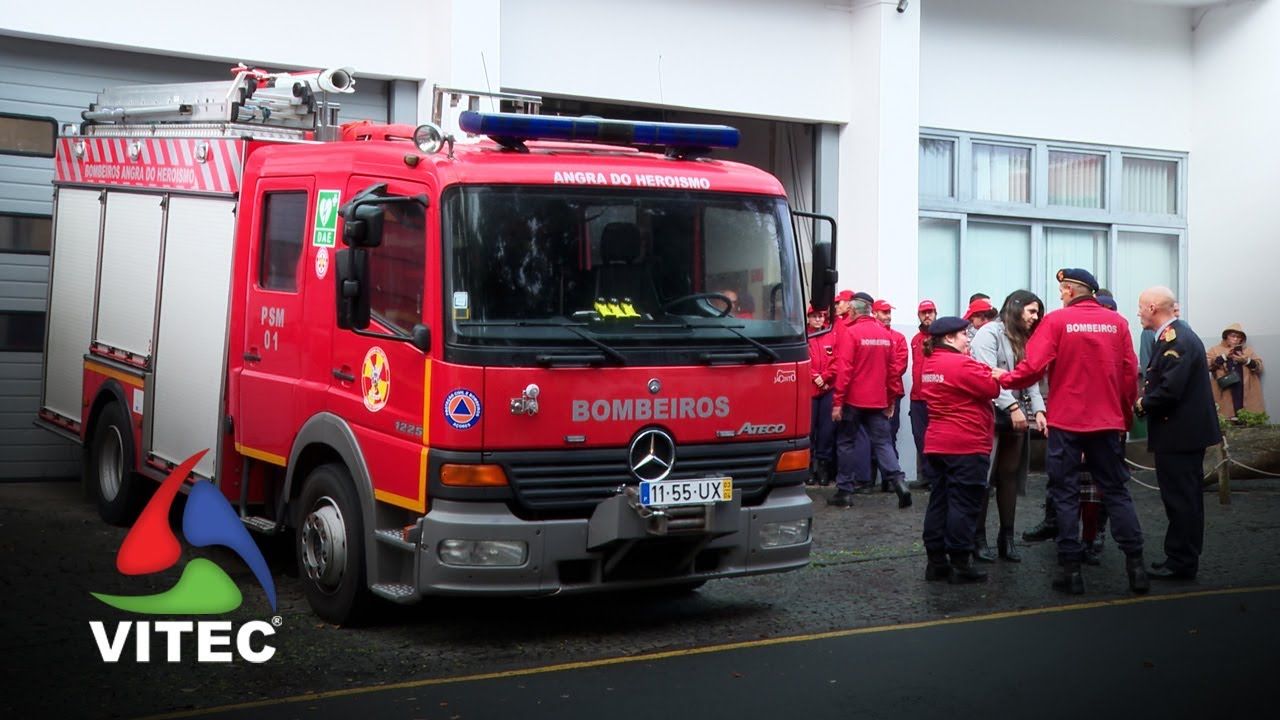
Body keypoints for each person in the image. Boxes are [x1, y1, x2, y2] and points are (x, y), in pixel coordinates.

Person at [993, 268, 1149, 596]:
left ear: (1068, 290)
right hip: (1106, 423)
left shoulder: (1057, 322)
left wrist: (1001, 379)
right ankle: (1136, 567)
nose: (1060, 295)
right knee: (1117, 492)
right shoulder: (1117, 323)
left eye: (1062, 290)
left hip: (1067, 423)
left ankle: (1070, 570)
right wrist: (1121, 417)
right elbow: (1127, 375)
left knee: (1064, 493)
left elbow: (1032, 368)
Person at [1135, 286, 1221, 581]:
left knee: (1182, 499)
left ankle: (1182, 562)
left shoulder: (1178, 339)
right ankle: (1179, 556)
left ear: (1154, 307)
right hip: (1182, 433)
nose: (1138, 312)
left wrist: (1143, 403)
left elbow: (1170, 390)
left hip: (1180, 435)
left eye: (1141, 306)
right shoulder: (1176, 336)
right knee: (1183, 498)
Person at [920, 316, 1002, 584]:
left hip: (937, 442)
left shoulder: (930, 363)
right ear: (949, 338)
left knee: (939, 501)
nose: (968, 338)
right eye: (963, 334)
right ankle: (960, 562)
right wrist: (990, 372)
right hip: (966, 443)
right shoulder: (962, 364)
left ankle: (936, 561)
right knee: (964, 504)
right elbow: (991, 387)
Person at [970, 290, 1046, 563]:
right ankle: (977, 539)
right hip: (989, 415)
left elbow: (1030, 378)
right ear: (1015, 309)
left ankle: (1007, 538)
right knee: (984, 478)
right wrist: (1013, 407)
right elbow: (986, 375)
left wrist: (1038, 410)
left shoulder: (1027, 338)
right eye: (1031, 311)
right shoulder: (989, 333)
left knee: (1009, 477)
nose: (1035, 317)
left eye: (1038, 312)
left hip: (1016, 416)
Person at [829, 296, 912, 508]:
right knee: (883, 443)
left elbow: (844, 369)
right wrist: (891, 399)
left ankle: (845, 491)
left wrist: (838, 402)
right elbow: (893, 371)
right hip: (878, 400)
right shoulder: (885, 335)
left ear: (855, 313)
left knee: (846, 443)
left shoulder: (851, 333)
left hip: (853, 401)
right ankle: (899, 482)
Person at [872, 299, 909, 491]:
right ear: (874, 313)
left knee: (889, 434)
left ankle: (890, 480)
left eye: (889, 312)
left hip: (892, 392)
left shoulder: (899, 337)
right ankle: (870, 478)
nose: (888, 316)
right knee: (871, 436)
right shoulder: (871, 336)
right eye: (884, 312)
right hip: (872, 392)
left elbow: (900, 366)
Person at [1207, 323, 1266, 421]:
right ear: (1226, 337)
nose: (1235, 339)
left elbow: (1259, 367)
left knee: (1247, 424)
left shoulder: (1248, 351)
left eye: (1239, 337)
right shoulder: (1215, 350)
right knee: (1225, 423)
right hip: (1224, 393)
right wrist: (1224, 357)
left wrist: (1246, 361)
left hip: (1245, 392)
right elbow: (1206, 365)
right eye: (1233, 336)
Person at [908, 300, 938, 490]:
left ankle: (936, 477)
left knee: (936, 438)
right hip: (917, 397)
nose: (927, 316)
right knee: (920, 437)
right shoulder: (915, 339)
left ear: (935, 314)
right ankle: (927, 476)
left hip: (934, 397)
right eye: (923, 313)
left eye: (930, 312)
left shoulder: (941, 338)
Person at [807, 305, 837, 487]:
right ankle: (809, 468)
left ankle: (823, 468)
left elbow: (836, 360)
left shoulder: (830, 335)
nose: (818, 319)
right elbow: (802, 359)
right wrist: (814, 377)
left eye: (821, 316)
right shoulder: (803, 337)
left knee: (827, 431)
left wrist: (824, 378)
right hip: (809, 391)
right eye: (815, 316)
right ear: (808, 318)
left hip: (827, 389)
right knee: (809, 430)